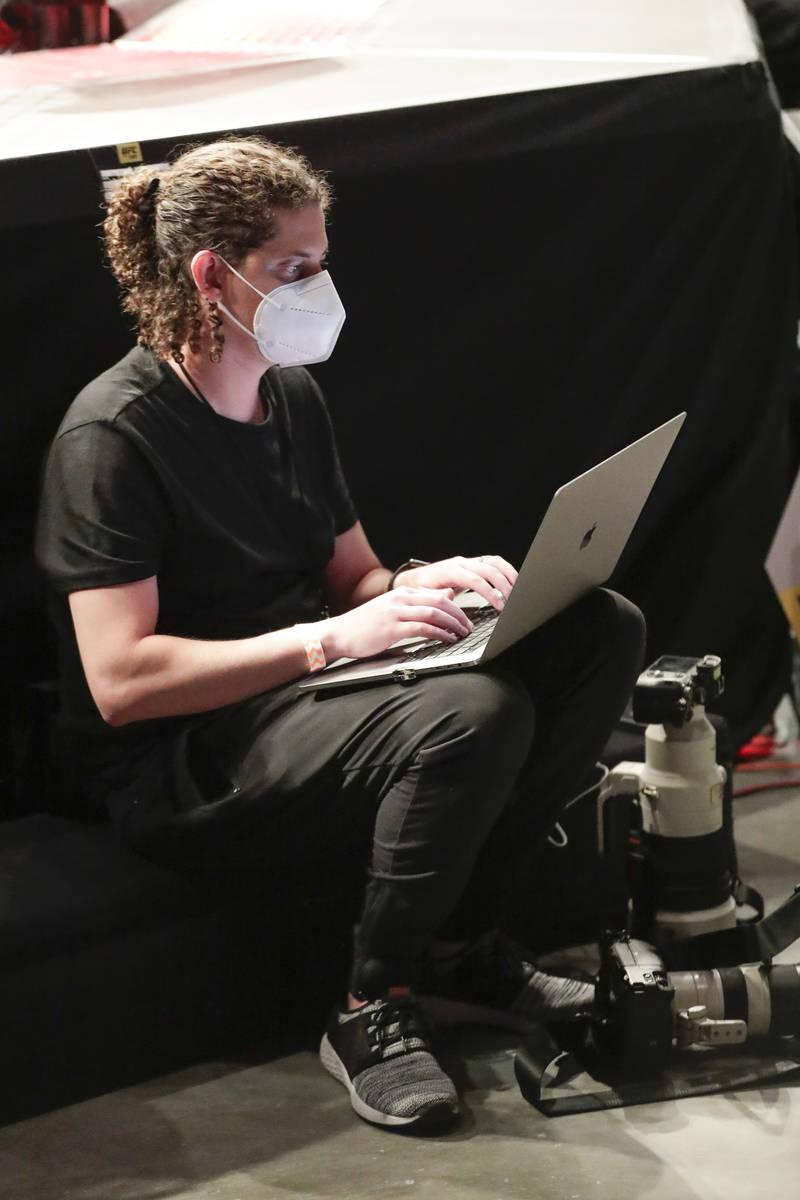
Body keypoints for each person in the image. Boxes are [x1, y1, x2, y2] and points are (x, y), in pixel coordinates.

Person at [35, 137, 645, 1131]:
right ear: (209, 276)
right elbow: (120, 680)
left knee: (593, 630)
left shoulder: (288, 395)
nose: (318, 287)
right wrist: (332, 642)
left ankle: (463, 949)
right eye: (294, 269)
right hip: (189, 750)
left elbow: (353, 577)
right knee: (470, 712)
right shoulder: (111, 438)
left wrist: (420, 583)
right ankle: (373, 1005)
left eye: (321, 262)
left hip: (307, 691)